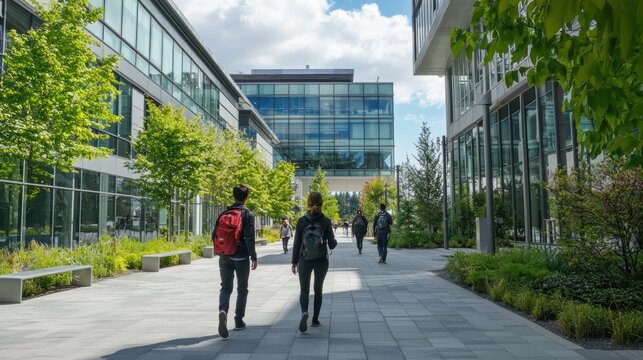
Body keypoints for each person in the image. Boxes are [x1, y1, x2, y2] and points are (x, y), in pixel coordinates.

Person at [215, 184, 257, 339]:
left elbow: (214, 234)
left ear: (233, 196)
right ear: (247, 198)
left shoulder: (225, 213)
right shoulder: (248, 215)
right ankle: (238, 321)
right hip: (240, 256)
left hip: (224, 255)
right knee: (242, 289)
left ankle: (223, 310)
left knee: (225, 287)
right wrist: (253, 256)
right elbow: (249, 237)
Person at [291, 191, 337, 333]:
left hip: (305, 259)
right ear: (321, 203)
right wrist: (332, 241)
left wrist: (294, 262)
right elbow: (332, 244)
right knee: (318, 289)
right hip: (321, 260)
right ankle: (315, 319)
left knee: (304, 290)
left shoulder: (301, 221)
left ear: (308, 203)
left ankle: (304, 311)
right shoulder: (326, 221)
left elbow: (297, 243)